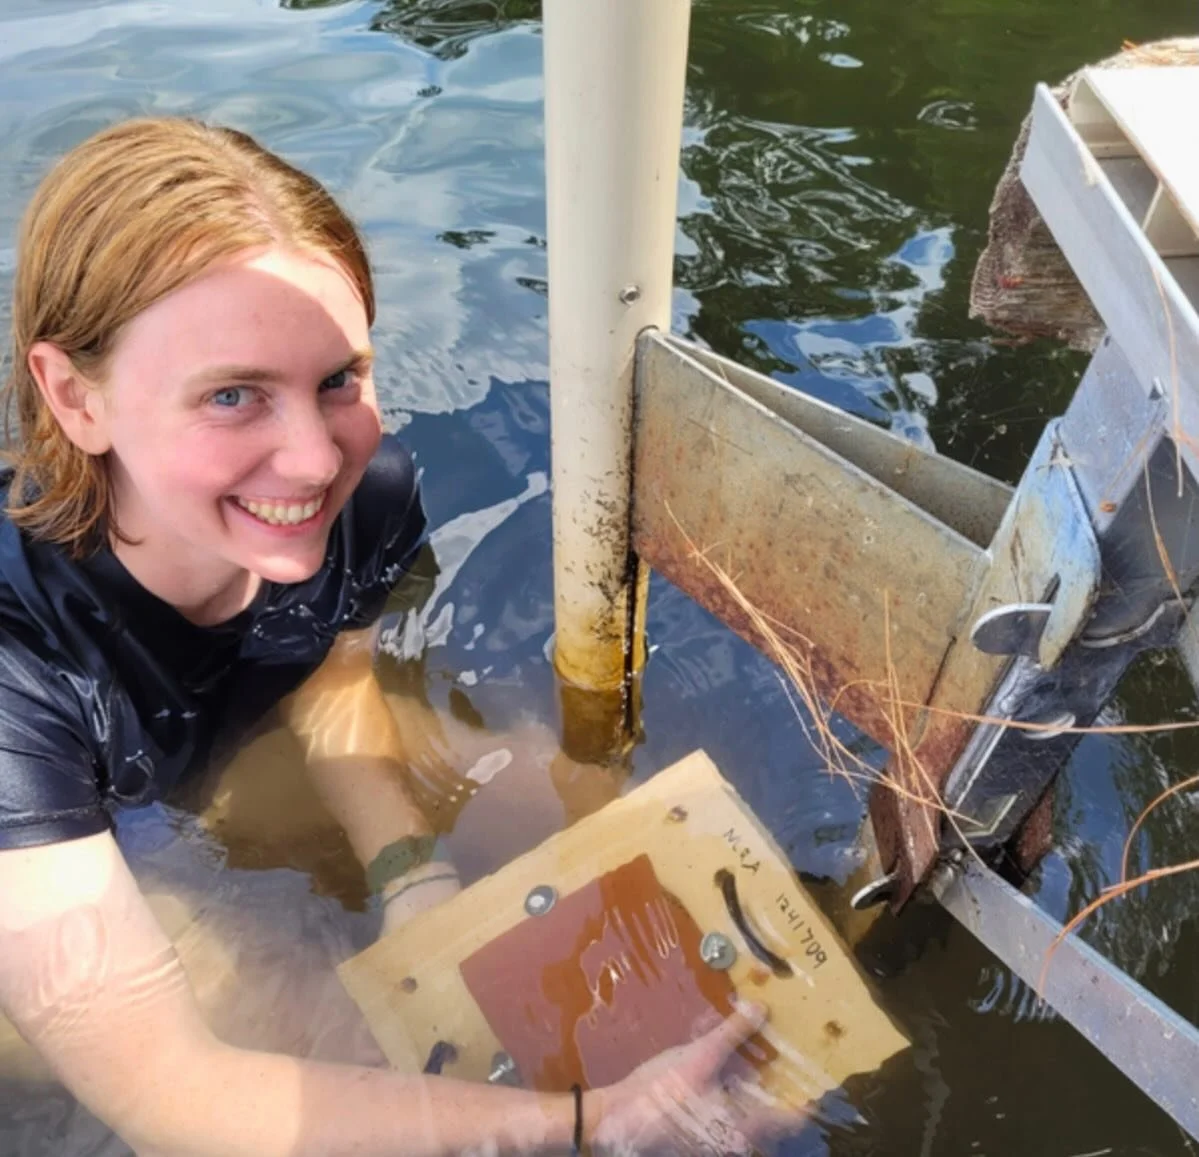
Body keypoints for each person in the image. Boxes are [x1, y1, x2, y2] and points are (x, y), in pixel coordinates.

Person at [0, 117, 802, 1156]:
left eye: (338, 378)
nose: (312, 460)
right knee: (311, 1016)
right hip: (35, 852)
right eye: (232, 394)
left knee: (577, 812)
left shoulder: (362, 494)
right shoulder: (17, 657)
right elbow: (172, 1091)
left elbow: (333, 682)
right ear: (75, 396)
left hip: (190, 758)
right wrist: (589, 1123)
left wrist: (410, 872)